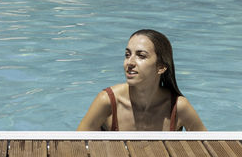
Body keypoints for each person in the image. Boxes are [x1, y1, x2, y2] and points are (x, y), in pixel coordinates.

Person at [77, 29, 206, 131]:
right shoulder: (108, 102)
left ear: (161, 67)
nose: (130, 62)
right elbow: (76, 149)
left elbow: (209, 150)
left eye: (141, 56)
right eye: (127, 55)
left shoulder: (178, 108)